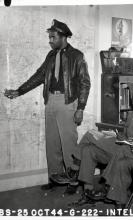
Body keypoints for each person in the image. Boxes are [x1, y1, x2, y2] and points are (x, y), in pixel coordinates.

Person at [4, 19, 91, 190]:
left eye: (53, 37)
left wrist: (80, 108)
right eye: (49, 37)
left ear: (63, 37)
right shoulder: (51, 56)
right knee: (52, 143)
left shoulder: (77, 56)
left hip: (68, 102)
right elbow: (39, 76)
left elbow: (85, 84)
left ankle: (73, 181)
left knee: (68, 144)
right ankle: (55, 178)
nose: (50, 40)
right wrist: (19, 91)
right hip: (50, 101)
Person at [66, 83, 133, 206]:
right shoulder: (131, 114)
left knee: (90, 134)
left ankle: (74, 168)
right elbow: (127, 135)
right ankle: (88, 192)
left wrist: (132, 142)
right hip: (121, 148)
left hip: (132, 153)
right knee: (88, 149)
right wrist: (119, 136)